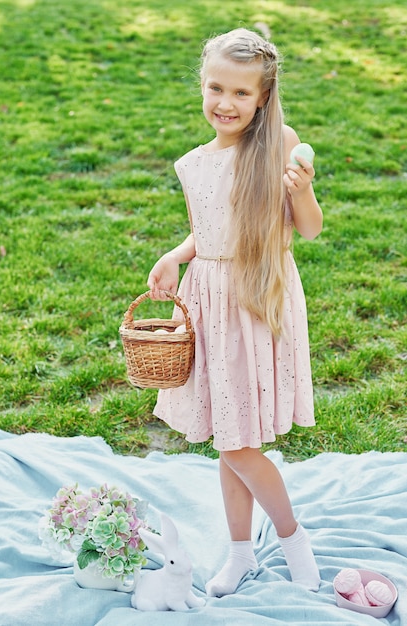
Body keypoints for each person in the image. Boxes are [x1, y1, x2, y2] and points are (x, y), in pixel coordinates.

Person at [147, 27, 322, 597]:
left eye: (240, 94)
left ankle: (294, 539)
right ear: (202, 85)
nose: (225, 103)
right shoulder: (194, 164)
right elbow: (207, 232)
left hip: (255, 300)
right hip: (209, 298)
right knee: (230, 432)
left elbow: (311, 229)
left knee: (237, 443)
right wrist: (174, 256)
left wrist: (302, 192)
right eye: (215, 88)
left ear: (263, 98)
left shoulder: (277, 146)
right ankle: (241, 552)